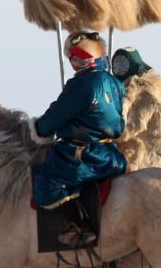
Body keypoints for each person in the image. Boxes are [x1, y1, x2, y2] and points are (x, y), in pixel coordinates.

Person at [30, 32, 127, 244]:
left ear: (80, 58)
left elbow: (53, 118)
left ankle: (80, 226)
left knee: (45, 183)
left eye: (73, 58)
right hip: (112, 155)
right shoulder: (114, 82)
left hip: (84, 157)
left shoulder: (81, 85)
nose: (71, 62)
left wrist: (37, 128)